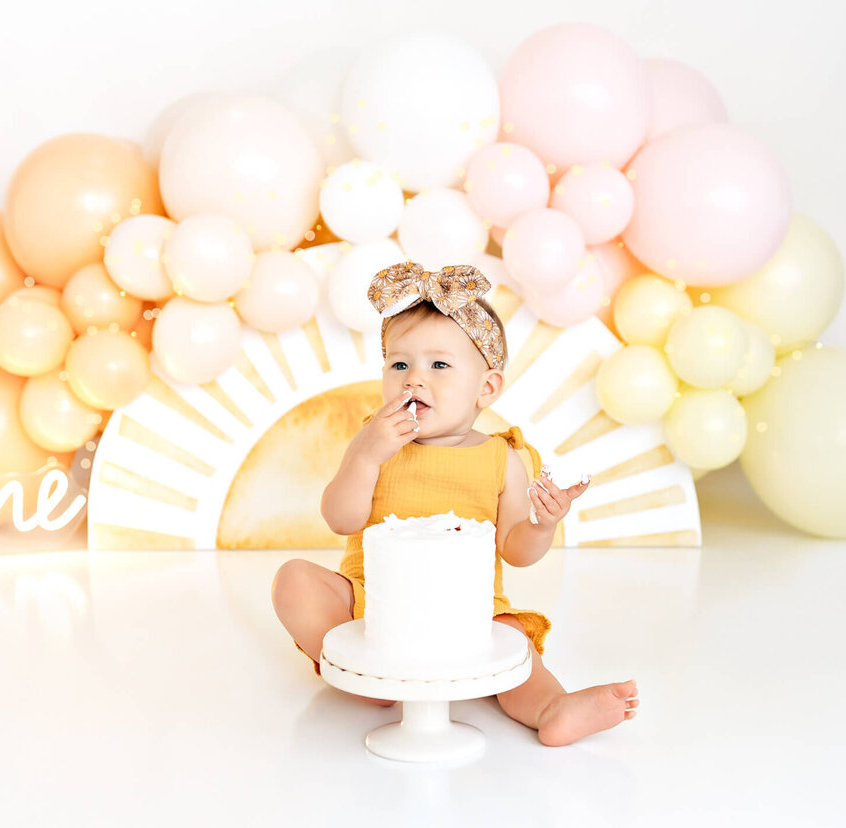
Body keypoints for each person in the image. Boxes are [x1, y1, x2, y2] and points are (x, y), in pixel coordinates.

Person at [271, 262, 639, 746]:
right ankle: (365, 672)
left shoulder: (500, 457)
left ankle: (552, 707)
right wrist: (365, 455)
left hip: (469, 611)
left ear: (485, 388)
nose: (413, 380)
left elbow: (516, 551)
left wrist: (543, 525)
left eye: (438, 365)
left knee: (516, 645)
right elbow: (340, 519)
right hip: (372, 604)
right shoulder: (374, 442)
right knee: (293, 581)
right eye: (399, 364)